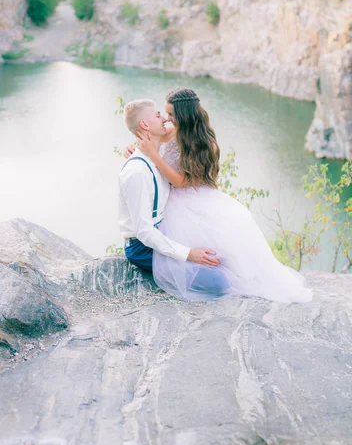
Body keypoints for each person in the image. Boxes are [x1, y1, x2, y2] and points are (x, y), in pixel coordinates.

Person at [133, 87, 313, 304]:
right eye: (166, 114)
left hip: (190, 200)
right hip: (171, 199)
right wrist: (137, 152)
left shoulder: (207, 144)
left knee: (221, 254)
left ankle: (232, 279)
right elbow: (149, 143)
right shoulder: (172, 131)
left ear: (184, 113)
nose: (168, 119)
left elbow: (182, 182)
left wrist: (153, 156)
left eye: (171, 114)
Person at [118, 99, 231, 299]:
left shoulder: (154, 157)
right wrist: (189, 254)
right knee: (219, 282)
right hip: (143, 248)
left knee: (224, 257)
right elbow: (144, 231)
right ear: (145, 125)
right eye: (158, 115)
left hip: (161, 233)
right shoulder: (137, 171)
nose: (164, 119)